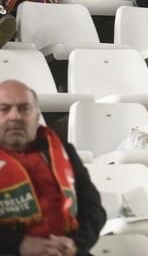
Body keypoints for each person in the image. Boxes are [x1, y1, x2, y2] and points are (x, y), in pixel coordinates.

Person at [0, 80, 106, 255]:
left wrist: (75, 244)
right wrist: (21, 244)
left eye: (24, 109)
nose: (15, 116)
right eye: (4, 109)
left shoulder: (62, 151)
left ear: (36, 117)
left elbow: (93, 209)